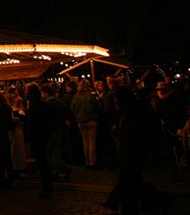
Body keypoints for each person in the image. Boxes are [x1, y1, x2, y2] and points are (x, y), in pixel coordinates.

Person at [101, 86, 167, 215]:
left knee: (126, 180)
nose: (115, 103)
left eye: (116, 100)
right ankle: (151, 201)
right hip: (130, 151)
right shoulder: (127, 109)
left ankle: (127, 207)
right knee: (133, 180)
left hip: (134, 151)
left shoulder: (134, 111)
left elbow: (134, 133)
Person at [25, 82, 54, 199]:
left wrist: (29, 134)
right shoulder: (43, 103)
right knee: (43, 160)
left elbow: (32, 122)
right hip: (43, 135)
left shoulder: (33, 105)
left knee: (41, 161)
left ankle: (46, 187)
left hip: (37, 136)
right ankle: (48, 185)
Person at [71, 78, 101, 169]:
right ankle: (92, 162)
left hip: (80, 121)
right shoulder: (90, 95)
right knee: (92, 142)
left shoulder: (76, 96)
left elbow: (73, 108)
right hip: (91, 120)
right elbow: (98, 106)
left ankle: (87, 161)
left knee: (85, 142)